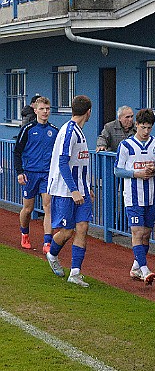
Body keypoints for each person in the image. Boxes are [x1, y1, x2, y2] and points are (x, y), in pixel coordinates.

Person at [46, 95, 94, 287]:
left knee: (83, 227)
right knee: (66, 231)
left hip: (81, 189)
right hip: (65, 191)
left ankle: (75, 272)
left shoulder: (80, 132)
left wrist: (87, 187)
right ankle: (52, 254)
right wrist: (74, 190)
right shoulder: (69, 131)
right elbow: (63, 162)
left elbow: (80, 163)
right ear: (88, 112)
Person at [114, 108, 155, 285]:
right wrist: (136, 173)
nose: (145, 132)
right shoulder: (126, 146)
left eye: (149, 128)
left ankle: (136, 266)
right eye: (143, 127)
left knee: (146, 235)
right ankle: (145, 270)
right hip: (133, 196)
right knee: (137, 232)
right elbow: (118, 170)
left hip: (152, 196)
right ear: (136, 125)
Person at [14, 96, 58, 254]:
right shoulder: (28, 129)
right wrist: (20, 172)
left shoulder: (54, 130)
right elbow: (17, 152)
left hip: (46, 175)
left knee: (48, 207)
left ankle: (47, 242)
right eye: (42, 109)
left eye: (47, 109)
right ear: (35, 110)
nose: (45, 112)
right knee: (28, 209)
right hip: (30, 174)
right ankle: (24, 233)